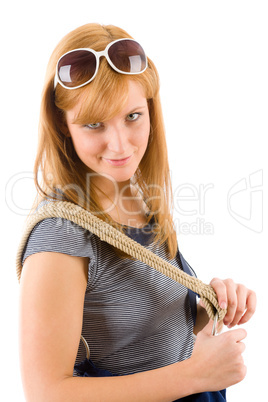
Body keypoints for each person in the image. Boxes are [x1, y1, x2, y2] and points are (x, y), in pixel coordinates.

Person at [19, 23, 256, 401]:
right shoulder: (61, 235)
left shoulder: (137, 195)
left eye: (132, 116)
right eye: (94, 124)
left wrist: (209, 307)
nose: (119, 144)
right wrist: (194, 376)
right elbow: (46, 393)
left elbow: (136, 337)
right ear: (64, 125)